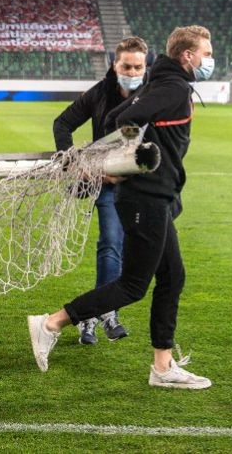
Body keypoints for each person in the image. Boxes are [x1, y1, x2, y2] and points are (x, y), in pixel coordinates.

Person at [27, 26, 214, 390]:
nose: (210, 59)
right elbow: (124, 119)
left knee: (173, 278)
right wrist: (129, 160)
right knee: (133, 285)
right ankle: (51, 323)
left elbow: (123, 114)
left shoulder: (163, 81)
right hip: (145, 197)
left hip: (155, 197)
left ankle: (163, 367)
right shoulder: (172, 86)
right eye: (206, 53)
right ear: (188, 56)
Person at [52, 36, 149, 345]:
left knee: (127, 250)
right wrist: (74, 164)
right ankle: (101, 315)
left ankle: (96, 314)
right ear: (114, 64)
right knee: (110, 243)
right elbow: (62, 124)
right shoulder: (99, 94)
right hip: (107, 184)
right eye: (127, 66)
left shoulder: (152, 95)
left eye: (138, 67)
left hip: (143, 187)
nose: (132, 72)